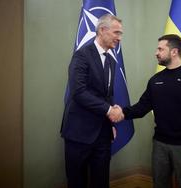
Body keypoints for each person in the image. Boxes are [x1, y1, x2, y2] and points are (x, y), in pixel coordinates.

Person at [120, 34, 181, 188]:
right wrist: (120, 112)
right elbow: (142, 107)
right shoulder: (155, 80)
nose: (156, 52)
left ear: (174, 52)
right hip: (160, 144)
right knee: (160, 183)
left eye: (160, 49)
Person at [61, 14, 123, 188]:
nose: (119, 38)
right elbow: (78, 91)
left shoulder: (111, 60)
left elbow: (106, 95)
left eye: (121, 34)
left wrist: (110, 122)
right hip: (79, 132)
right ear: (102, 30)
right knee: (77, 181)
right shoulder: (82, 55)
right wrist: (110, 111)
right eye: (116, 32)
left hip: (103, 132)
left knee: (101, 180)